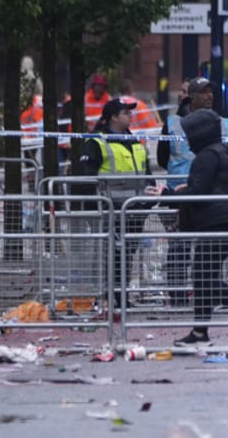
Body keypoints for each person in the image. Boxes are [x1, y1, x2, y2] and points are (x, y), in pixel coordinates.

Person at [161, 109, 228, 347]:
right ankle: (200, 332)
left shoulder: (206, 156)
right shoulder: (221, 152)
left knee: (203, 277)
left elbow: (199, 193)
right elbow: (209, 186)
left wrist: (167, 195)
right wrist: (184, 190)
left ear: (199, 133)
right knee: (203, 276)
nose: (187, 139)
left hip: (218, 224)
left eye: (189, 134)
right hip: (226, 222)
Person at [158, 77, 228, 307]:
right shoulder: (172, 123)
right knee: (179, 247)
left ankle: (209, 296)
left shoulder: (223, 123)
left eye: (211, 91)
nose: (210, 96)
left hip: (210, 196)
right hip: (179, 196)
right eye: (204, 92)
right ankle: (178, 296)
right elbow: (162, 157)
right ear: (192, 96)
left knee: (209, 250)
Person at [79, 98, 153, 304]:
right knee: (112, 255)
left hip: (134, 209)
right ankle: (112, 298)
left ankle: (120, 297)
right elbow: (86, 178)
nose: (130, 116)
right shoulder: (97, 141)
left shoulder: (134, 141)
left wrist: (147, 201)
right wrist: (96, 207)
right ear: (113, 117)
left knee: (126, 254)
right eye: (125, 113)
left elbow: (146, 173)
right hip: (110, 210)